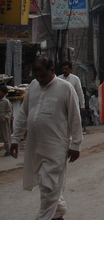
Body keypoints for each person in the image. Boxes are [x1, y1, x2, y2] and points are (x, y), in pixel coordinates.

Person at [10, 57, 82, 220]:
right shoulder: (34, 87)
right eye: (37, 76)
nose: (40, 80)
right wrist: (15, 138)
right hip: (35, 145)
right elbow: (23, 113)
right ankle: (58, 211)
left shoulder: (65, 88)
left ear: (52, 71)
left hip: (56, 146)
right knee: (45, 182)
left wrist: (76, 145)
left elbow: (75, 119)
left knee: (49, 185)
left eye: (43, 75)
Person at [58, 60, 86, 135]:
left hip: (73, 103)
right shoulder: (58, 79)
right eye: (63, 69)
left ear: (70, 69)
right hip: (62, 104)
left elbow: (80, 92)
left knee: (73, 119)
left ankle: (75, 135)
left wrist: (82, 105)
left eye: (66, 69)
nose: (65, 71)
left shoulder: (75, 79)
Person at [0, 85, 13, 156]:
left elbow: (9, 112)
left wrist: (5, 118)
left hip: (4, 122)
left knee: (6, 136)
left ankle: (8, 150)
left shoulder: (6, 102)